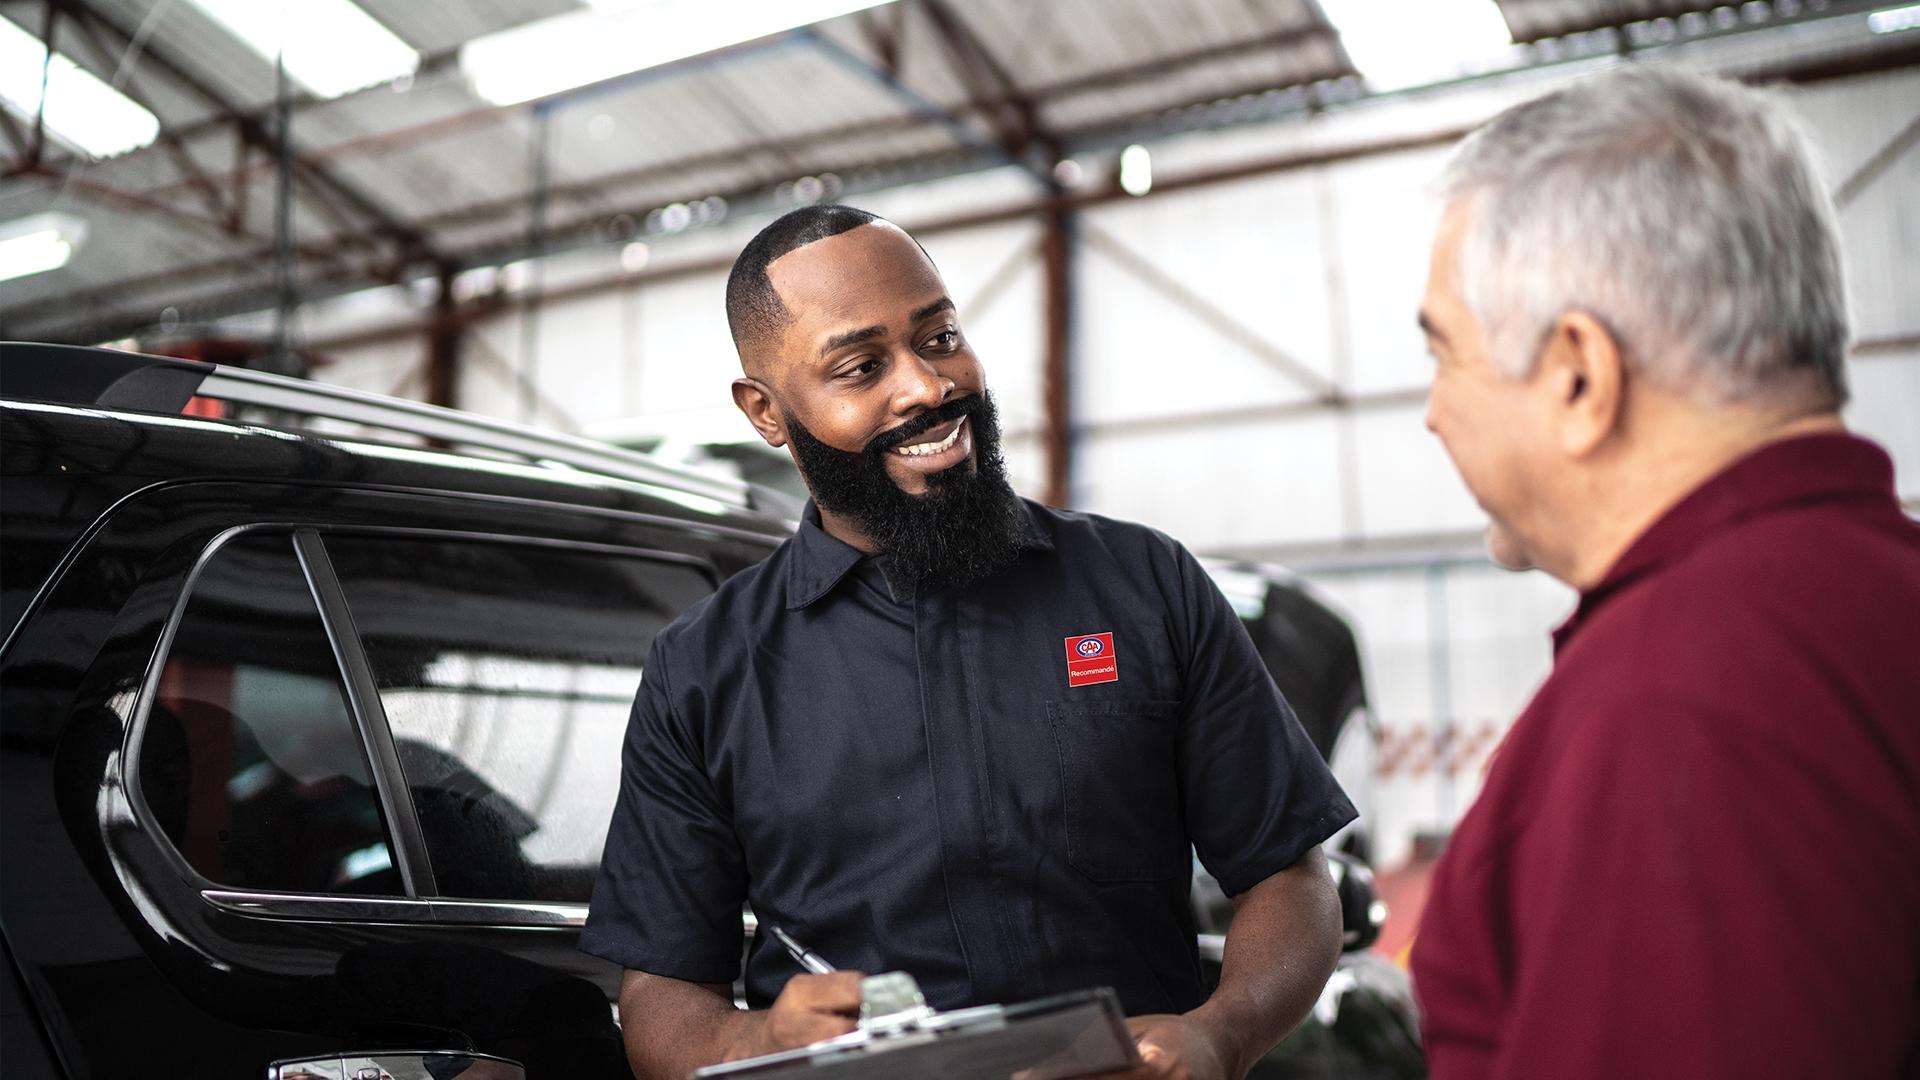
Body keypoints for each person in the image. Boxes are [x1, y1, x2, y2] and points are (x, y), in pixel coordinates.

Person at [581, 204, 1356, 1080]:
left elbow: (1287, 878)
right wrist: (761, 1041)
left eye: (940, 336)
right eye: (862, 366)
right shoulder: (705, 673)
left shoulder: (1145, 586)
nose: (926, 386)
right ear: (767, 412)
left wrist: (1225, 1031)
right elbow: (661, 999)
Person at [1409, 65, 1920, 1078]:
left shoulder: (1679, 704)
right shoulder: (1867, 596)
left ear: (1579, 376)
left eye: (1444, 355)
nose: (1433, 414)